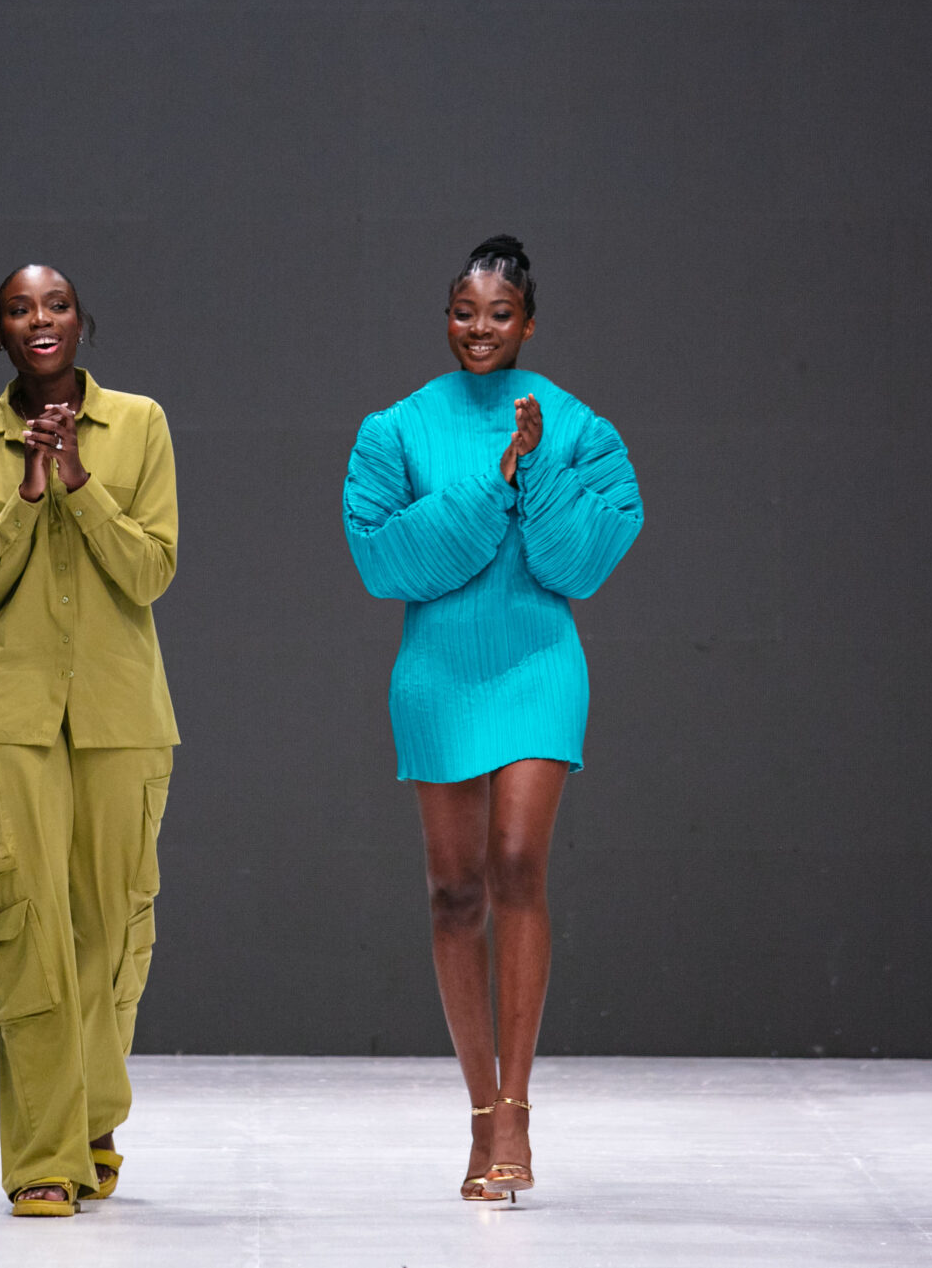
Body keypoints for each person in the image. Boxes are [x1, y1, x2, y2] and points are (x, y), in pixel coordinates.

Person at [341, 235, 644, 1201]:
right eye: (465, 312)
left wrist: (538, 465)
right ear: (446, 318)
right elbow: (384, 560)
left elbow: (581, 561)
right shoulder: (394, 428)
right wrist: (495, 478)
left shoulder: (579, 424)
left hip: (538, 662)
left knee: (517, 864)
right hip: (438, 672)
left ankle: (516, 1110)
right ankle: (480, 1110)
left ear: (529, 323)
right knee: (453, 893)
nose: (480, 329)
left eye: (500, 314)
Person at [0, 264, 179, 1217]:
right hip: (9, 715)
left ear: (81, 320)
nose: (39, 319)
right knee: (30, 931)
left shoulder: (141, 424)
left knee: (113, 930)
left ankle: (94, 1115)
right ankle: (43, 1155)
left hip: (122, 715)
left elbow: (151, 571)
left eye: (56, 304)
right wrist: (30, 492)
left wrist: (79, 479)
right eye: (18, 309)